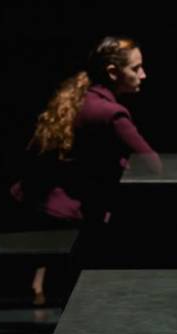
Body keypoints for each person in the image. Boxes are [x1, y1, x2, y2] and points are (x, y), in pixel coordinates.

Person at [11, 35, 162, 304]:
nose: (143, 74)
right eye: (136, 68)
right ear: (113, 72)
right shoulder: (110, 113)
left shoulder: (79, 95)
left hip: (41, 204)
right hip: (69, 212)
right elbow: (152, 164)